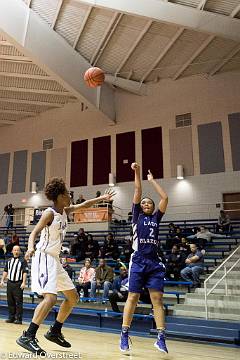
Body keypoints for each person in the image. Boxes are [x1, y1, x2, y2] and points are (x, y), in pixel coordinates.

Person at [16, 177, 115, 355]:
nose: (70, 195)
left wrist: (102, 199)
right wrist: (30, 248)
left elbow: (84, 205)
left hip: (54, 259)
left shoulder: (65, 210)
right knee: (51, 298)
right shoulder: (49, 213)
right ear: (61, 196)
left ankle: (55, 331)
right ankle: (28, 335)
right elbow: (34, 232)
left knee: (73, 297)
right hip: (44, 256)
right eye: (67, 193)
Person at [119, 162, 168, 354]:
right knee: (133, 296)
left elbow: (165, 197)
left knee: (158, 299)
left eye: (149, 202)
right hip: (138, 260)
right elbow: (138, 189)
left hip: (154, 263)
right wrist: (137, 172)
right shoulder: (136, 216)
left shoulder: (156, 218)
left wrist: (152, 180)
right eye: (144, 202)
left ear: (153, 207)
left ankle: (161, 338)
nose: (146, 203)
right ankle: (124, 334)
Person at [0, 245, 28, 324]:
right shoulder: (9, 260)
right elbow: (6, 271)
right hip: (10, 283)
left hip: (18, 283)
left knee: (18, 302)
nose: (16, 251)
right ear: (12, 251)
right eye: (14, 250)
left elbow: (25, 272)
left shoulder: (23, 261)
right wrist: (2, 280)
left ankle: (18, 319)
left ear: (19, 251)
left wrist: (24, 282)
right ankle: (11, 317)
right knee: (10, 301)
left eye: (17, 250)